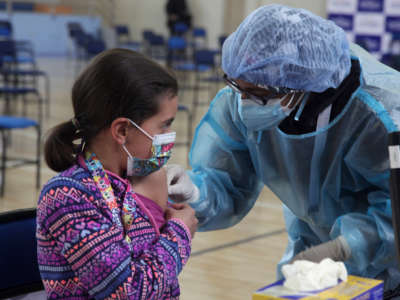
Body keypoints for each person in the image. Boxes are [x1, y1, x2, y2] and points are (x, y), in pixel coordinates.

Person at [166, 4, 400, 292]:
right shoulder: (240, 100)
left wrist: (344, 248)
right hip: (310, 261)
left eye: (258, 94)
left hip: (389, 269)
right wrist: (195, 190)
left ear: (300, 85)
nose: (244, 102)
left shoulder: (379, 117)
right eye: (238, 88)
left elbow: (395, 210)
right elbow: (226, 182)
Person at [36, 48, 198, 299]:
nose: (169, 135)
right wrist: (179, 233)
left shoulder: (139, 178)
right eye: (164, 124)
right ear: (122, 130)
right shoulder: (67, 196)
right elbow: (128, 292)